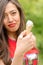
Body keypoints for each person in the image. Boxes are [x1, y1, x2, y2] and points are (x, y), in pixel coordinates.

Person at [0, 0, 37, 65]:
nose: (10, 19)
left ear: (19, 13)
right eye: (4, 16)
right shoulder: (1, 47)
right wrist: (19, 53)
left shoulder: (31, 39)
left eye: (13, 13)